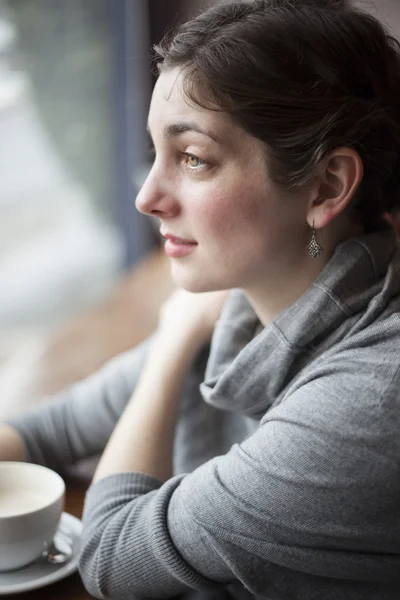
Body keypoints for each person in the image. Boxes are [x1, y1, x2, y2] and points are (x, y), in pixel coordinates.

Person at [1, 0, 400, 597]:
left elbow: (112, 558)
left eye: (192, 157)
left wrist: (169, 346)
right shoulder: (250, 304)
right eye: (155, 152)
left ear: (327, 186)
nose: (146, 197)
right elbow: (49, 429)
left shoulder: (372, 402)